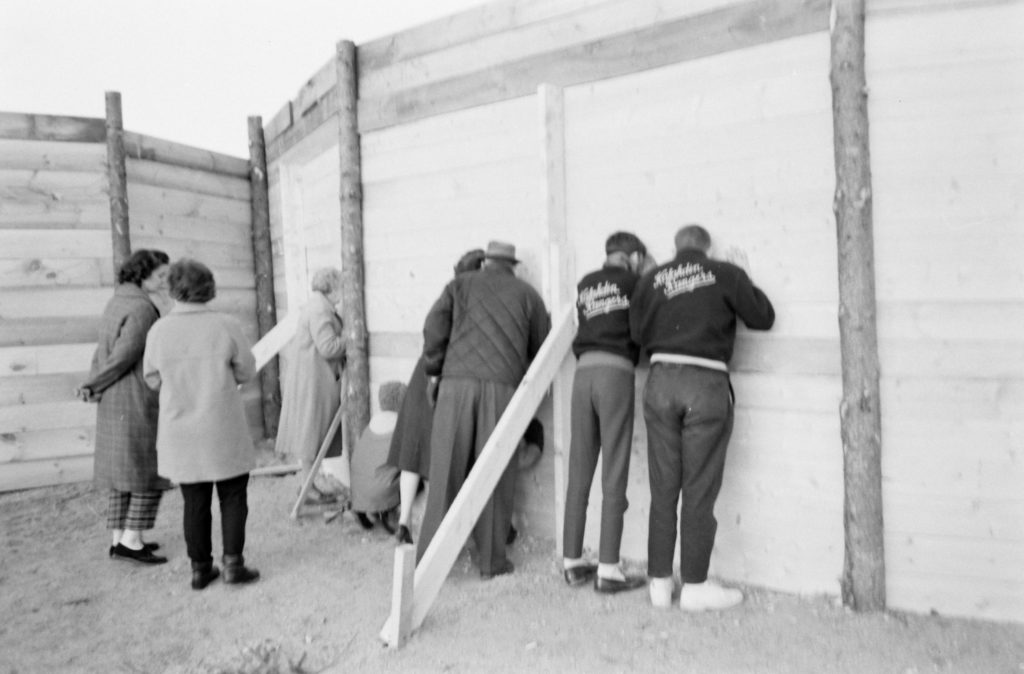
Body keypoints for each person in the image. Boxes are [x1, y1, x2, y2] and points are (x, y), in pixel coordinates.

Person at [630, 224, 775, 611]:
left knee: (663, 486)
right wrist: (746, 276)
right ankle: (694, 585)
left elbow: (636, 333)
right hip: (705, 383)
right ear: (706, 248)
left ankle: (659, 583)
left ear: (676, 248)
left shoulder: (651, 280)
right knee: (699, 487)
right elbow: (763, 317)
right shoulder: (726, 274)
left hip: (660, 381)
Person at [416, 240, 550, 579]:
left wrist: (435, 369)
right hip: (503, 389)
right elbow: (542, 348)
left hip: (456, 384)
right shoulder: (528, 295)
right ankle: (491, 562)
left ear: (486, 261)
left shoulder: (459, 285)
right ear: (513, 265)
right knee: (494, 474)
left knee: (446, 469)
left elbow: (433, 327)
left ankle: (430, 565)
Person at [143, 259, 261, 590]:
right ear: (208, 287)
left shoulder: (159, 330)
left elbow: (151, 378)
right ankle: (234, 565)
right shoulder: (226, 324)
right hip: (222, 426)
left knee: (194, 501)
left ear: (172, 288)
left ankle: (199, 569)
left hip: (180, 430)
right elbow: (247, 372)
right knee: (233, 496)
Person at [562, 232, 650, 593]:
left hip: (582, 375)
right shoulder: (636, 283)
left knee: (580, 467)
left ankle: (572, 561)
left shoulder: (585, 283)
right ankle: (609, 568)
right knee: (614, 468)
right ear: (633, 257)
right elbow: (643, 329)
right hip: (615, 373)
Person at [386, 248, 486, 545]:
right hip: (441, 377)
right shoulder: (468, 298)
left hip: (425, 372)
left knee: (414, 451)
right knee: (437, 453)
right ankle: (438, 532)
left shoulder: (451, 292)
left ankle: (404, 523)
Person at [78, 249, 171, 565]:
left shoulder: (117, 301)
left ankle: (119, 539)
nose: (165, 280)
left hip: (113, 398)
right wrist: (93, 384)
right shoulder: (143, 309)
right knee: (146, 468)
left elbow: (102, 351)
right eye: (160, 275)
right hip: (133, 398)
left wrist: (95, 383)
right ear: (142, 276)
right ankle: (132, 540)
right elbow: (124, 356)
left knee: (122, 472)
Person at [275, 267, 347, 505]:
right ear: (332, 287)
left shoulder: (318, 306)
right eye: (341, 288)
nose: (343, 293)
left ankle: (309, 487)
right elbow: (328, 347)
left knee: (310, 435)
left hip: (311, 378)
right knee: (310, 435)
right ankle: (308, 490)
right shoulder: (320, 310)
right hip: (314, 380)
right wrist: (351, 337)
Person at [349, 381, 407, 530]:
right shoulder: (401, 426)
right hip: (382, 490)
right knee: (412, 476)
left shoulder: (371, 425)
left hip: (357, 491)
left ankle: (367, 510)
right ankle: (386, 511)